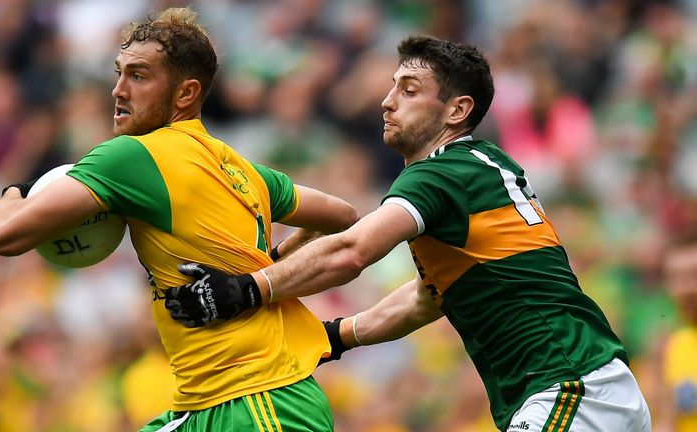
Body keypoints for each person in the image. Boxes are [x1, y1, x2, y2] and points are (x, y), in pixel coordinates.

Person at [165, 35, 652, 432]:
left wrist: (245, 290)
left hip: (568, 386)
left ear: (457, 111)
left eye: (410, 90)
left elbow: (353, 250)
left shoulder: (441, 173)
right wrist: (332, 337)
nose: (387, 101)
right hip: (590, 388)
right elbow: (424, 299)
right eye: (392, 87)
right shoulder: (477, 167)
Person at [0, 7, 358, 432]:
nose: (118, 90)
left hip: (259, 402)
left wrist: (16, 191)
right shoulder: (240, 167)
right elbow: (341, 214)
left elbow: (5, 236)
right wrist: (275, 256)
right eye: (119, 73)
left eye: (139, 76)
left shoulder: (132, 156)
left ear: (185, 94)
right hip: (215, 402)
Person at [656, 230, 697, 432]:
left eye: (695, 275)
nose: (687, 289)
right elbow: (666, 423)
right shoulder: (672, 346)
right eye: (678, 278)